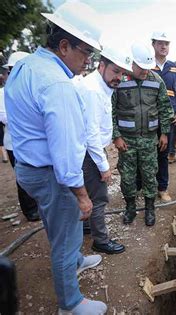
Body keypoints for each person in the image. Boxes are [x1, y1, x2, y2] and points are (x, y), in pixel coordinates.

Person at [4, 2, 107, 314]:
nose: (88, 61)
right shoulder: (57, 84)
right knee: (67, 233)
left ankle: (75, 260)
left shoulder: (25, 66)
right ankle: (70, 303)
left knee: (54, 223)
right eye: (85, 52)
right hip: (50, 172)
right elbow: (64, 150)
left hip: (28, 169)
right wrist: (81, 194)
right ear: (64, 46)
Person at [76, 41, 132, 254]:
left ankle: (87, 226)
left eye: (122, 73)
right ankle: (100, 240)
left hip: (89, 150)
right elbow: (91, 134)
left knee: (89, 194)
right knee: (98, 197)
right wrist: (103, 166)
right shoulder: (93, 91)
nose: (119, 77)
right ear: (101, 66)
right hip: (88, 152)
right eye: (115, 71)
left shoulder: (101, 85)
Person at [112, 42, 174, 226]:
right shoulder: (120, 81)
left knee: (149, 175)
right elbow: (111, 111)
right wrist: (116, 136)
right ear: (132, 64)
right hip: (127, 141)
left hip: (149, 140)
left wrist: (164, 134)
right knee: (128, 177)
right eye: (142, 68)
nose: (146, 71)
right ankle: (130, 208)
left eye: (148, 67)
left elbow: (164, 108)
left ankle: (149, 209)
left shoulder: (156, 81)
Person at [150, 32, 176, 203]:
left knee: (163, 153)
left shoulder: (174, 67)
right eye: (160, 43)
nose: (164, 47)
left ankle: (162, 188)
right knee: (148, 152)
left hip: (169, 117)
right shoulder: (148, 65)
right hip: (150, 116)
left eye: (166, 43)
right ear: (153, 44)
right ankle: (147, 187)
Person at [0, 51, 40, 222]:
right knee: (22, 178)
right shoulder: (3, 92)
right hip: (14, 144)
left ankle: (38, 205)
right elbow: (4, 116)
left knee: (37, 174)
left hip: (32, 142)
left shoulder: (31, 88)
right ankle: (29, 210)